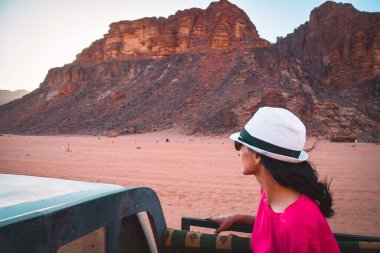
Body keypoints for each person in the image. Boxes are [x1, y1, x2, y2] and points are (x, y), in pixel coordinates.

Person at [209, 107, 340, 253]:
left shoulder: (297, 226)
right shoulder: (273, 193)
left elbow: (287, 229)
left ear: (257, 157)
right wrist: (240, 218)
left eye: (240, 145)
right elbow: (275, 225)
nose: (239, 153)